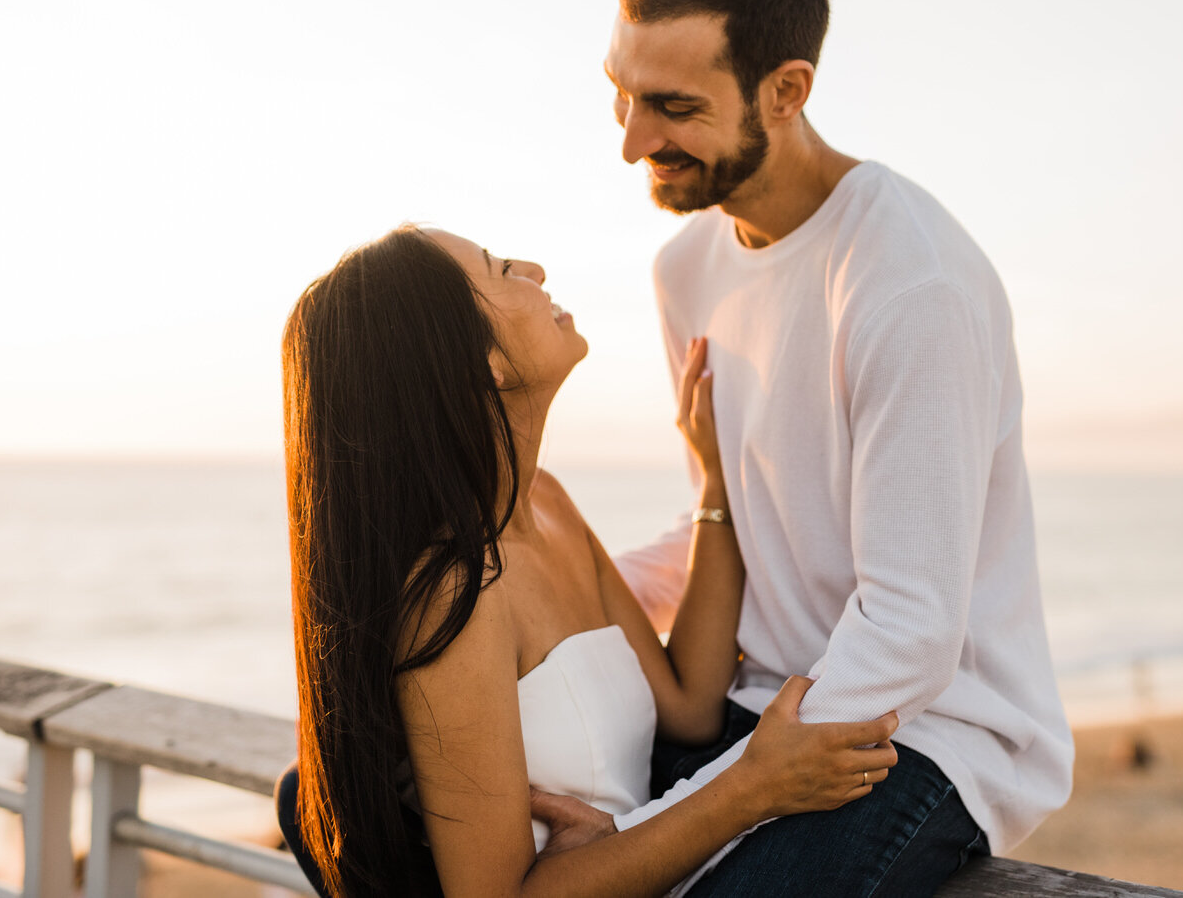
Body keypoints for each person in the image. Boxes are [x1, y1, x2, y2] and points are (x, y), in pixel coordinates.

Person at [544, 0, 1074, 895]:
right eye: (618, 95)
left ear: (785, 91)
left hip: (920, 732)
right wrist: (549, 603)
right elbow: (739, 516)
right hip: (751, 706)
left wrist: (675, 817)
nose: (631, 142)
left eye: (670, 106)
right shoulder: (685, 270)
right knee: (397, 809)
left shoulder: (907, 284)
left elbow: (911, 629)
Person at [278, 224, 900, 898]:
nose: (536, 269)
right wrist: (751, 787)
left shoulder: (547, 503)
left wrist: (715, 485)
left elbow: (690, 704)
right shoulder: (456, 592)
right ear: (477, 360)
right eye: (501, 268)